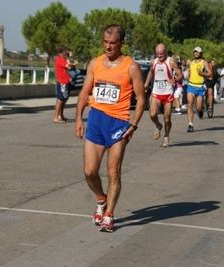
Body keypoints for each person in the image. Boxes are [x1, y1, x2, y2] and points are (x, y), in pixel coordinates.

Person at [74, 25, 145, 232]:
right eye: (105, 42)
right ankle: (101, 198)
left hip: (119, 123)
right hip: (96, 119)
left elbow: (141, 98)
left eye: (112, 43)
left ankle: (109, 214)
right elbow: (84, 92)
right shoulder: (95, 63)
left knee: (113, 172)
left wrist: (133, 124)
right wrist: (78, 118)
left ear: (121, 43)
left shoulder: (131, 67)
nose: (108, 46)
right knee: (89, 171)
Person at [144, 44, 183, 147]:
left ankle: (166, 137)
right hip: (156, 92)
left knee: (167, 118)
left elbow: (181, 75)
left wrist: (174, 79)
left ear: (165, 52)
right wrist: (147, 83)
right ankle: (158, 125)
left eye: (161, 54)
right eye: (157, 54)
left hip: (168, 93)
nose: (159, 56)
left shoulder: (170, 62)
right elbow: (151, 72)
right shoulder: (154, 62)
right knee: (152, 114)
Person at [186, 47, 212, 132]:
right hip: (191, 85)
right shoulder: (191, 63)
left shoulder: (204, 63)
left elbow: (210, 73)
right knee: (190, 104)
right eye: (195, 52)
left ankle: (200, 111)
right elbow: (190, 72)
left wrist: (201, 73)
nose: (196, 53)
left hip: (200, 86)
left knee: (199, 107)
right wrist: (188, 75)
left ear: (201, 53)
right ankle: (190, 124)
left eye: (198, 52)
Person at [53, 46, 72, 123]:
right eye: (65, 52)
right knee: (60, 100)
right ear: (62, 52)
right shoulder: (60, 60)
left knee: (63, 100)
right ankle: (56, 117)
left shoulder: (61, 59)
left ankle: (61, 116)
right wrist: (70, 62)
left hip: (65, 81)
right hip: (62, 82)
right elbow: (69, 68)